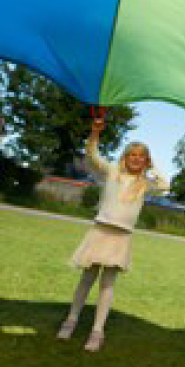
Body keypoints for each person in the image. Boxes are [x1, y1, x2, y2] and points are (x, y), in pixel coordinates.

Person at [56, 115, 169, 352]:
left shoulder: (144, 183)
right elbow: (92, 156)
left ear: (146, 161)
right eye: (132, 155)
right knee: (87, 279)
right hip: (101, 231)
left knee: (107, 285)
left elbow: (164, 185)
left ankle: (97, 331)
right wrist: (95, 133)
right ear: (125, 157)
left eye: (142, 157)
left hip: (121, 237)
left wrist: (153, 164)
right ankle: (72, 319)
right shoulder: (112, 173)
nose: (136, 160)